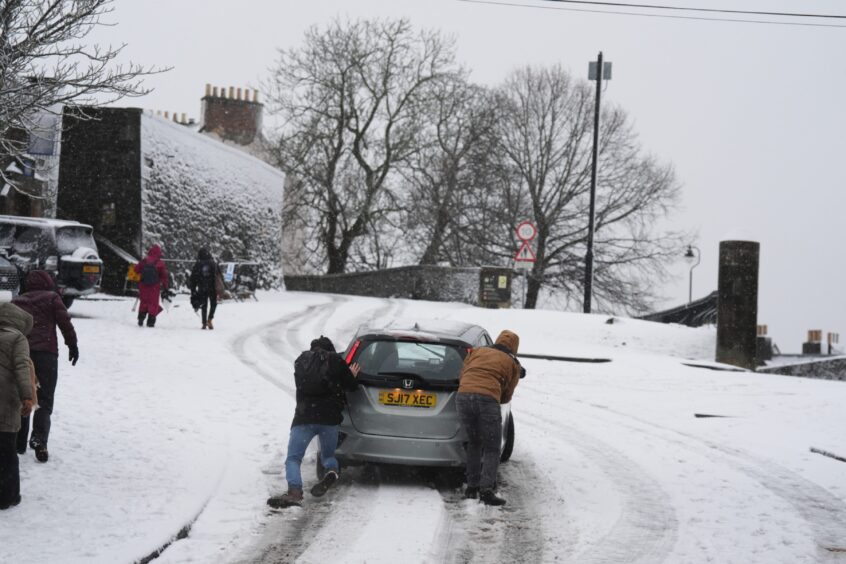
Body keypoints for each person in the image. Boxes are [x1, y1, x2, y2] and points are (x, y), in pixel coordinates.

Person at [267, 336, 361, 508]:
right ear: (331, 349)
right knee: (328, 456)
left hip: (304, 418)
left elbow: (302, 385)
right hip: (329, 420)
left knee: (293, 458)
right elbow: (351, 386)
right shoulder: (336, 360)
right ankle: (331, 471)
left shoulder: (302, 361)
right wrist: (351, 375)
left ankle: (294, 492)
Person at [13, 271, 78, 463]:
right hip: (47, 355)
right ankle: (40, 440)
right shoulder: (52, 298)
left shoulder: (17, 302)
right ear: (48, 282)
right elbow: (65, 323)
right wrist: (72, 345)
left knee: (23, 397)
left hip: (23, 354)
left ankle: (19, 442)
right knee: (45, 399)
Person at [456, 329, 524, 506]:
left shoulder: (478, 351)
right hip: (487, 400)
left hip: (463, 396)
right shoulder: (512, 362)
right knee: (492, 447)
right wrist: (495, 397)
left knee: (474, 443)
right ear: (514, 347)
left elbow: (463, 373)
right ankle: (486, 491)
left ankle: (471, 487)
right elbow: (508, 394)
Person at [0, 302, 34, 509]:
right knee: (6, 449)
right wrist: (27, 396)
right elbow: (22, 366)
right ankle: (7, 496)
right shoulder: (18, 338)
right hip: (6, 398)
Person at [134, 244, 170, 328]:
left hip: (143, 285)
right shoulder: (160, 263)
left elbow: (136, 270)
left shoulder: (144, 261)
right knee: (153, 304)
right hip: (154, 287)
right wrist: (165, 287)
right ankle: (151, 321)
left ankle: (140, 319)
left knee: (143, 302)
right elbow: (164, 276)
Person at [188, 248, 222, 330]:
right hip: (212, 287)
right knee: (213, 303)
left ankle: (204, 323)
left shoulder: (198, 264)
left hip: (202, 287)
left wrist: (193, 289)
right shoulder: (213, 263)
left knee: (204, 305)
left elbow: (193, 278)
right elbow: (219, 276)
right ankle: (210, 319)